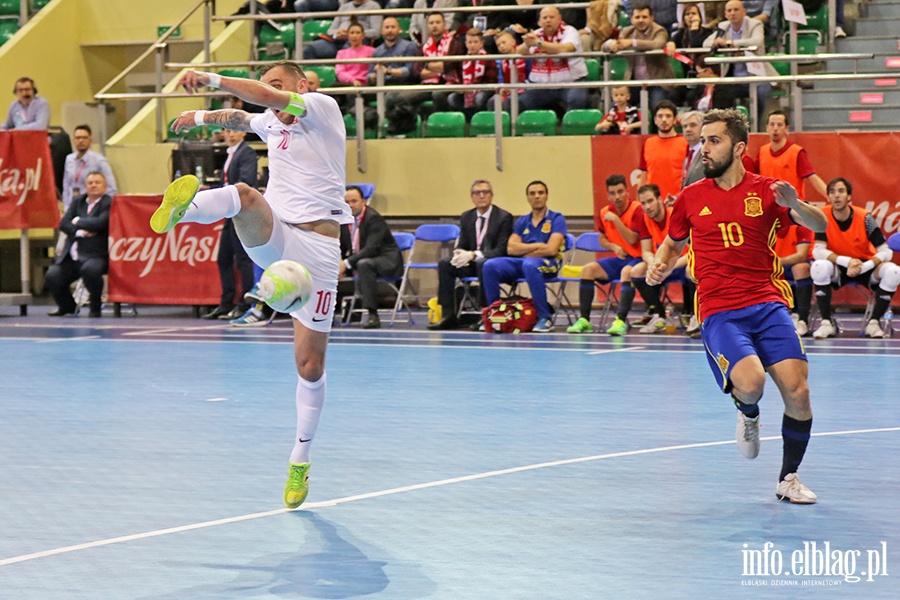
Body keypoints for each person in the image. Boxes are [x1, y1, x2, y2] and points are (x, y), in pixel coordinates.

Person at [151, 61, 352, 509]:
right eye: (267, 85)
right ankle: (182, 210)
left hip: (318, 252)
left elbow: (260, 103)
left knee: (310, 366)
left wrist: (214, 80)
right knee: (243, 196)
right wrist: (200, 118)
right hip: (277, 234)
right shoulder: (267, 122)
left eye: (277, 85)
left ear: (301, 86)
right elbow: (241, 118)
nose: (270, 92)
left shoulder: (320, 108)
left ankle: (300, 457)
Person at [647, 108, 828, 504]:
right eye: (701, 142)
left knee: (798, 392)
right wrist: (660, 263)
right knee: (751, 385)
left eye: (714, 141)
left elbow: (819, 226)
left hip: (767, 302)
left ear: (739, 147)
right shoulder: (691, 198)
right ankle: (748, 415)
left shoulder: (768, 190)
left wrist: (797, 203)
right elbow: (673, 243)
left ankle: (788, 478)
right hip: (719, 308)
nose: (704, 149)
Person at [810, 177, 900, 339]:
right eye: (832, 192)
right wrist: (847, 262)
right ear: (828, 197)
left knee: (894, 271)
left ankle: (874, 323)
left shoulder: (865, 218)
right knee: (818, 266)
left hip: (865, 267)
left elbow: (886, 251)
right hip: (838, 267)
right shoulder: (822, 216)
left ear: (849, 197)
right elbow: (818, 251)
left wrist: (863, 267)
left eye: (841, 191)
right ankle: (826, 323)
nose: (836, 196)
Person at [482, 180, 568, 333]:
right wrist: (538, 246)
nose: (537, 196)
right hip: (523, 262)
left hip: (549, 264)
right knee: (490, 265)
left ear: (547, 196)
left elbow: (552, 250)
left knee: (529, 265)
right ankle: (494, 314)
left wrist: (524, 250)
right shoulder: (523, 221)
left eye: (541, 193)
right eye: (532, 193)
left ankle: (545, 318)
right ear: (527, 197)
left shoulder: (556, 218)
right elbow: (510, 248)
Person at [428, 179, 514, 330]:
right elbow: (463, 244)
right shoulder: (466, 217)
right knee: (445, 263)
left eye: (485, 192)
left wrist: (474, 255)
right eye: (477, 193)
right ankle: (448, 315)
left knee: (484, 264)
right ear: (472, 197)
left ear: (491, 196)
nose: (481, 196)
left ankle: (485, 314)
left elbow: (501, 250)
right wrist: (459, 253)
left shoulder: (503, 217)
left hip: (493, 264)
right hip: (472, 263)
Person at [566, 174, 642, 335]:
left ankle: (620, 321)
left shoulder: (637, 210)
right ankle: (584, 320)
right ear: (608, 195)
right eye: (613, 193)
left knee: (626, 272)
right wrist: (613, 246)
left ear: (628, 192)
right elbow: (602, 238)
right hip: (619, 259)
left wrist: (616, 220)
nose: (617, 197)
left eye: (620, 192)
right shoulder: (604, 212)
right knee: (588, 269)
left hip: (638, 259)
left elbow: (633, 238)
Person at [205, 128, 259, 321]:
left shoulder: (247, 153)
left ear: (244, 133)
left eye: (235, 130)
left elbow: (246, 182)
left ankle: (245, 304)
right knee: (224, 258)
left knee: (243, 259)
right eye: (227, 131)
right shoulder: (231, 154)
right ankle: (226, 303)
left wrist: (222, 193)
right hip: (230, 213)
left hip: (242, 212)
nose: (231, 134)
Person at [45, 171, 112, 318]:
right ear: (85, 186)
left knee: (90, 270)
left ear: (105, 186)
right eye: (90, 183)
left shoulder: (108, 203)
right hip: (72, 256)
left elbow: (100, 223)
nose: (93, 185)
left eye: (97, 182)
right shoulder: (78, 202)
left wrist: (77, 221)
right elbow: (63, 224)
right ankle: (67, 307)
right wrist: (80, 232)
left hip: (95, 256)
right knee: (52, 275)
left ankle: (95, 308)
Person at [338, 185, 404, 329]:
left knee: (364, 264)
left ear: (363, 201)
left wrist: (346, 263)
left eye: (354, 201)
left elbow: (371, 249)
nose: (350, 205)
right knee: (327, 266)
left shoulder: (374, 218)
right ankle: (326, 313)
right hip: (360, 260)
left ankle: (373, 315)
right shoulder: (343, 221)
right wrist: (338, 264)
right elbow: (342, 247)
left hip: (386, 261)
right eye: (347, 202)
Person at [703, 0, 776, 126]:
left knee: (761, 93)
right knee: (719, 92)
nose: (732, 13)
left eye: (736, 10)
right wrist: (716, 42)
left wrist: (730, 44)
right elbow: (706, 44)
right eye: (729, 11)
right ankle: (726, 127)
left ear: (744, 12)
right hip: (733, 77)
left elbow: (756, 41)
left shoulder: (755, 24)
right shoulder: (723, 27)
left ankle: (756, 128)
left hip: (757, 76)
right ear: (725, 14)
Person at [510, 6, 588, 113]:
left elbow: (565, 49)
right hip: (541, 87)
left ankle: (571, 129)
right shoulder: (536, 34)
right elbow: (518, 52)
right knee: (516, 102)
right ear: (540, 21)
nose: (548, 20)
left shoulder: (570, 31)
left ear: (559, 19)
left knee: (577, 100)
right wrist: (527, 44)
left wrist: (538, 43)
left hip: (570, 83)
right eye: (545, 18)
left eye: (551, 17)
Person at [601, 1, 674, 111]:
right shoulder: (627, 31)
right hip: (633, 82)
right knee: (616, 107)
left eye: (644, 17)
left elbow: (656, 44)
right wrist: (610, 44)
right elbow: (605, 47)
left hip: (657, 82)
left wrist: (632, 42)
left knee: (658, 107)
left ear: (651, 18)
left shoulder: (660, 30)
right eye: (637, 17)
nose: (641, 20)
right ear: (631, 19)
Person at [756, 110, 827, 202]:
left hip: (792, 208)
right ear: (767, 128)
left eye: (779, 125)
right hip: (769, 207)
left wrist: (829, 196)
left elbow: (813, 178)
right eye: (772, 124)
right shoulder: (762, 151)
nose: (775, 128)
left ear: (786, 128)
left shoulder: (796, 152)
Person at [636, 100, 689, 201]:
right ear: (655, 120)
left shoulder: (686, 143)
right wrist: (639, 203)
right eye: (660, 116)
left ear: (675, 120)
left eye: (668, 116)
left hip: (678, 201)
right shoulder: (648, 143)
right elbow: (643, 176)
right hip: (653, 204)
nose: (664, 120)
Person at [61, 124, 118, 209]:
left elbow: (111, 188)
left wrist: (101, 207)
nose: (81, 141)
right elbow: (66, 185)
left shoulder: (99, 161)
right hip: (72, 206)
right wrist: (66, 206)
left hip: (91, 206)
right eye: (78, 138)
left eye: (84, 138)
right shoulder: (69, 159)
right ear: (73, 141)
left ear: (90, 140)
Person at [302, 0, 382, 60]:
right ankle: (316, 77)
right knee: (309, 49)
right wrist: (337, 33)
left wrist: (353, 33)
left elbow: (376, 32)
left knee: (346, 51)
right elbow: (330, 30)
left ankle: (344, 79)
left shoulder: (374, 6)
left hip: (357, 40)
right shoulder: (344, 7)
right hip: (337, 41)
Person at [774, 223, 814, 336]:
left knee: (800, 269)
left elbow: (801, 256)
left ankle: (802, 320)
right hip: (774, 266)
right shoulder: (764, 225)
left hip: (793, 264)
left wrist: (772, 262)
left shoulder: (800, 226)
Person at [447, 29, 498, 117]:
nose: (472, 45)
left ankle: (479, 119)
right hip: (467, 90)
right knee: (452, 98)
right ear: (466, 44)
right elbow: (459, 78)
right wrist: (460, 87)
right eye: (470, 42)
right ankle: (466, 120)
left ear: (481, 43)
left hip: (485, 89)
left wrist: (474, 88)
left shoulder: (488, 59)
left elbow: (491, 81)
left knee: (479, 98)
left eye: (475, 42)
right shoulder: (462, 60)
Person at [367, 17, 420, 86]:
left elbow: (409, 71)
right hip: (383, 85)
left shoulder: (409, 46)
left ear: (399, 29)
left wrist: (387, 71)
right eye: (387, 27)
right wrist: (375, 75)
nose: (390, 30)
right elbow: (369, 75)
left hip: (404, 85)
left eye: (393, 27)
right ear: (381, 31)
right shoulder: (377, 51)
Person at [335, 23, 376, 88]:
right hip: (347, 83)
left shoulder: (372, 51)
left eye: (358, 33)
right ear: (348, 36)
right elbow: (339, 72)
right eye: (352, 33)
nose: (354, 36)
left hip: (365, 84)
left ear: (363, 35)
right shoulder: (341, 53)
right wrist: (352, 80)